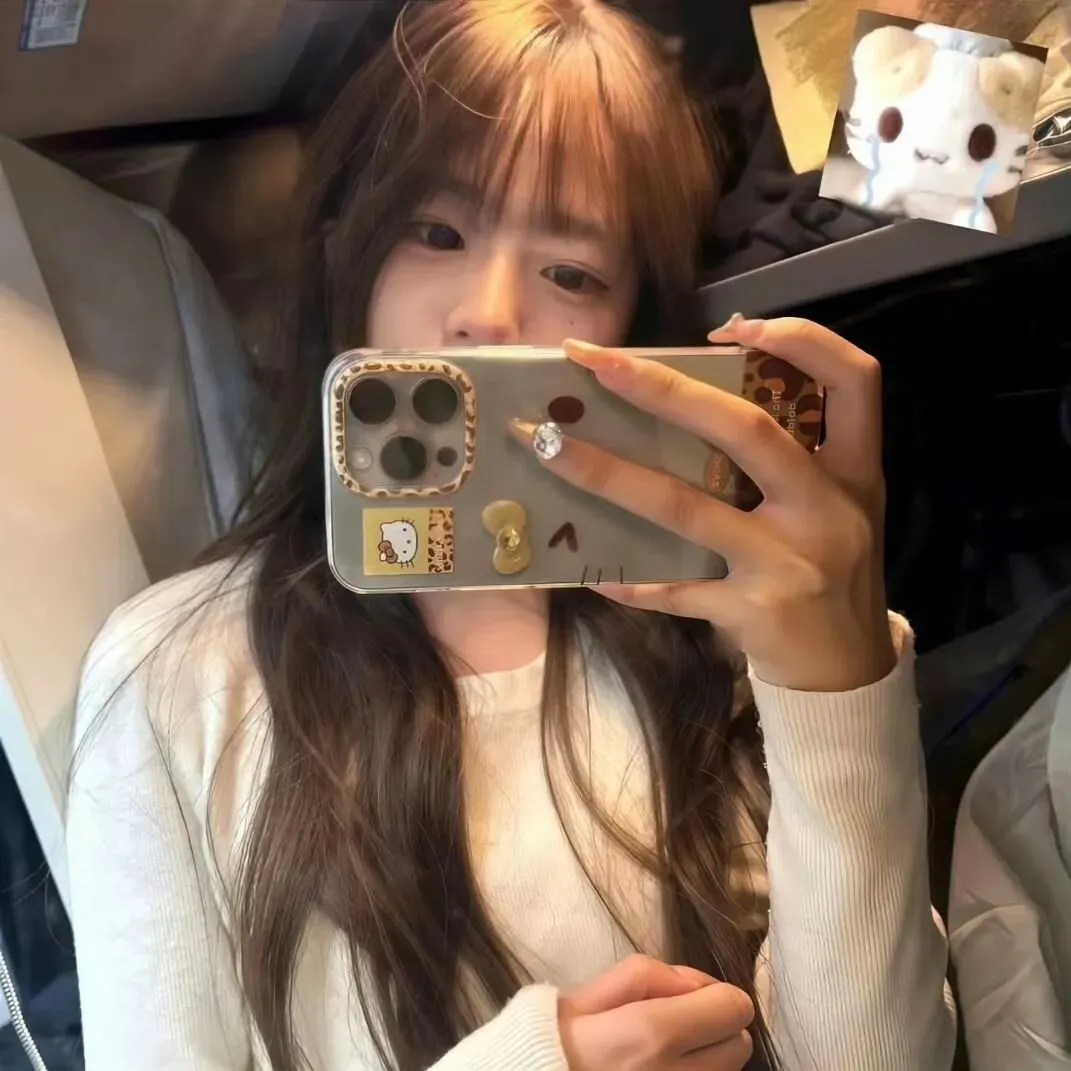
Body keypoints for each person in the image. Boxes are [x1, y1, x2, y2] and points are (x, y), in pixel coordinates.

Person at [65, 2, 957, 1070]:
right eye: (435, 232)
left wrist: (839, 680)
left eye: (571, 273)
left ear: (631, 326)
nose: (488, 312)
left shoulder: (718, 618)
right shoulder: (172, 677)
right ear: (347, 251)